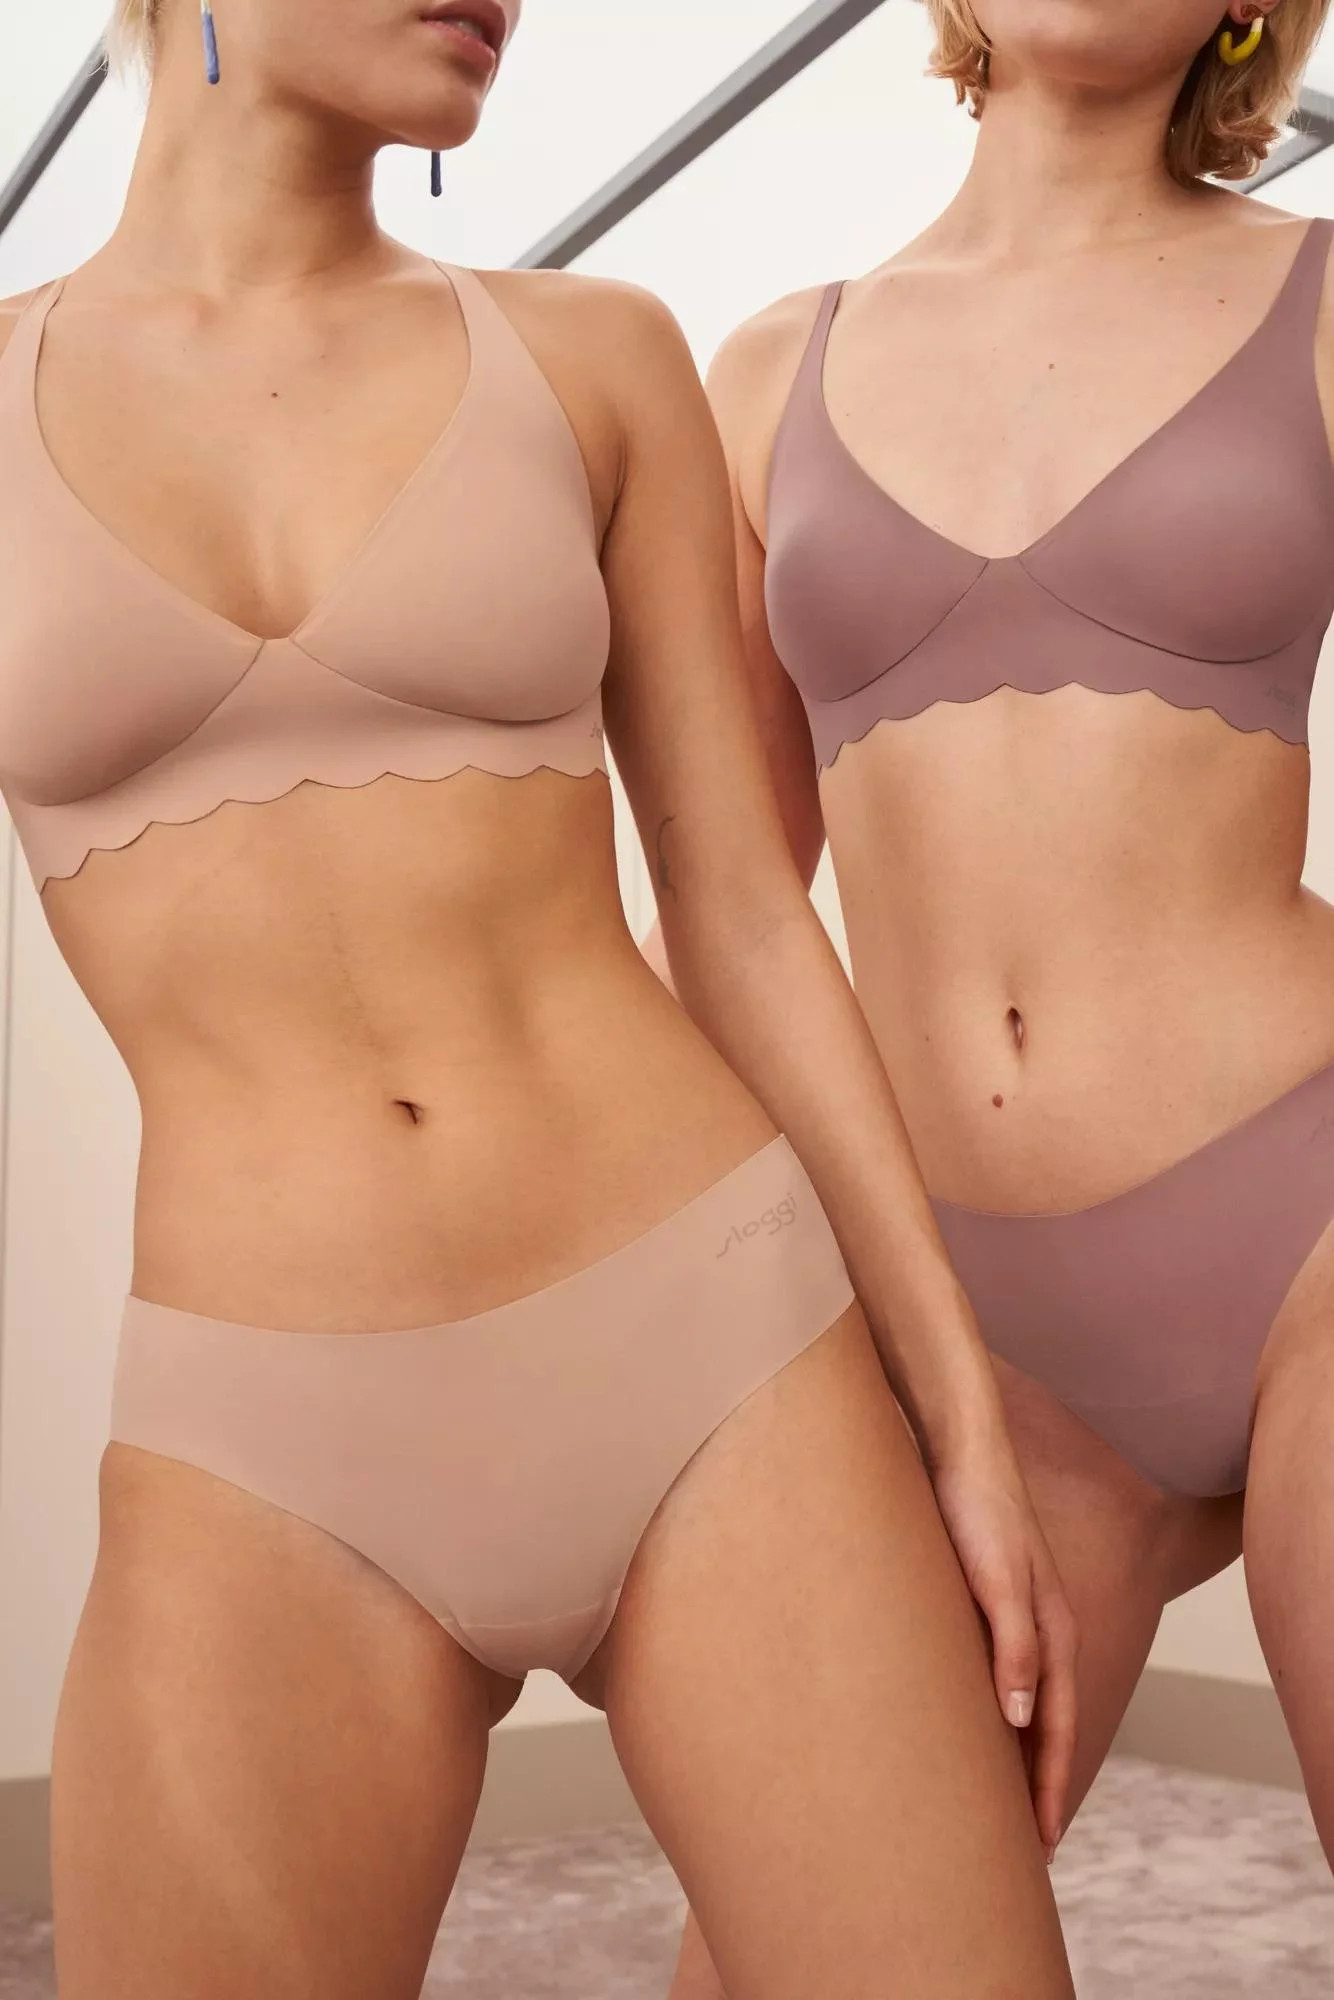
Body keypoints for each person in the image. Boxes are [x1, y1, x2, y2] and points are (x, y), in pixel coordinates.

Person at [0, 1, 1079, 1993]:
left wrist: (962, 1421)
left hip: (712, 1342)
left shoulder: (592, 359)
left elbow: (742, 917)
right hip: (262, 1440)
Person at [664, 1, 1334, 1988]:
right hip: (970, 1322)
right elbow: (732, 910)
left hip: (1308, 1217)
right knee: (790, 1953)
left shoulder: (1319, 301)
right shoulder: (767, 369)